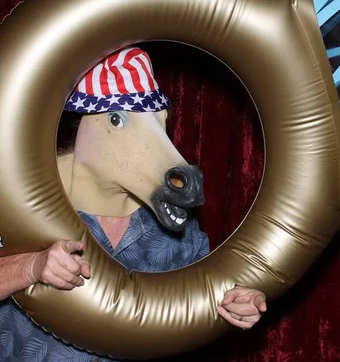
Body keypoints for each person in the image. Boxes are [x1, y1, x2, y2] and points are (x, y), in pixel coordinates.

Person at [0, 47, 267, 361]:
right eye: (116, 119)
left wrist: (238, 302)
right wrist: (32, 266)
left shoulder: (177, 227)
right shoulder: (19, 204)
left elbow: (208, 296)